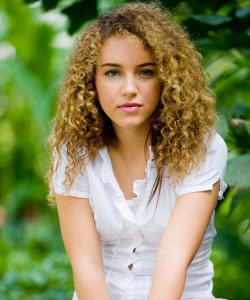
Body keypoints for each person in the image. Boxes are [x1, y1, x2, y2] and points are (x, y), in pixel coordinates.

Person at [47, 1, 228, 300]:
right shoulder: (73, 151)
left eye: (145, 72)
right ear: (91, 81)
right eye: (112, 73)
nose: (129, 88)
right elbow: (86, 265)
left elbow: (172, 262)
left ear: (166, 79)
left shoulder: (203, 148)